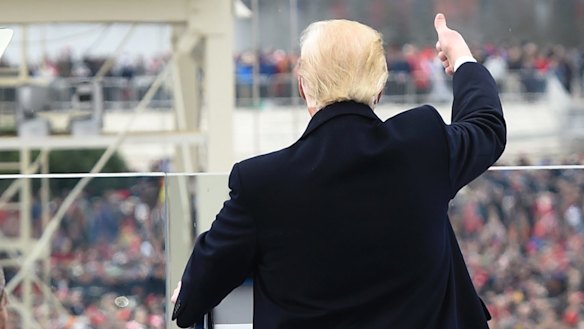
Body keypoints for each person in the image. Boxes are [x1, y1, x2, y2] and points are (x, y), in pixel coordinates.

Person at [172, 13, 506, 329]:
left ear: (303, 86)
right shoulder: (423, 144)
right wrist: (461, 56)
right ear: (379, 87)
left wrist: (190, 290)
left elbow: (189, 302)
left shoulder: (261, 182)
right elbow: (487, 126)